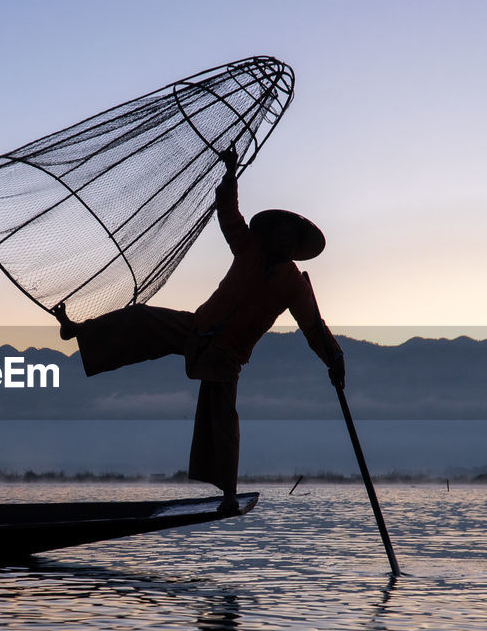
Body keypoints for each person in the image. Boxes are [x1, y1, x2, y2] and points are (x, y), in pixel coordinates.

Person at [54, 146, 344, 514]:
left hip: (227, 356)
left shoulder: (294, 285)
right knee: (141, 318)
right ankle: (79, 332)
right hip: (196, 327)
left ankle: (226, 494)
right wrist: (230, 175)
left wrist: (334, 358)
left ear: (296, 246)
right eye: (280, 234)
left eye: (291, 238)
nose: (284, 241)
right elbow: (229, 214)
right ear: (271, 235)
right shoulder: (249, 247)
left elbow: (314, 328)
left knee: (222, 419)